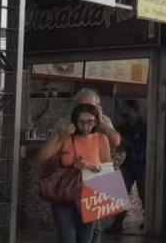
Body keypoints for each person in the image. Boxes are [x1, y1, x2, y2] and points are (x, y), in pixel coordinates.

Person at [38, 104, 112, 243]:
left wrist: (88, 165)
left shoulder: (101, 139)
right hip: (64, 193)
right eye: (81, 122)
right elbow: (42, 157)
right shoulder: (65, 136)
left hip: (90, 194)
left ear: (96, 121)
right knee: (67, 237)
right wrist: (62, 136)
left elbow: (107, 169)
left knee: (86, 238)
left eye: (90, 121)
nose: (85, 126)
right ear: (74, 122)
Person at [104, 100, 147, 234]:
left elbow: (148, 147)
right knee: (121, 194)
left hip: (142, 165)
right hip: (129, 164)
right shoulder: (125, 127)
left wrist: (129, 144)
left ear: (133, 110)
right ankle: (117, 224)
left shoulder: (144, 127)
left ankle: (148, 222)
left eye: (126, 109)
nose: (123, 112)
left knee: (144, 194)